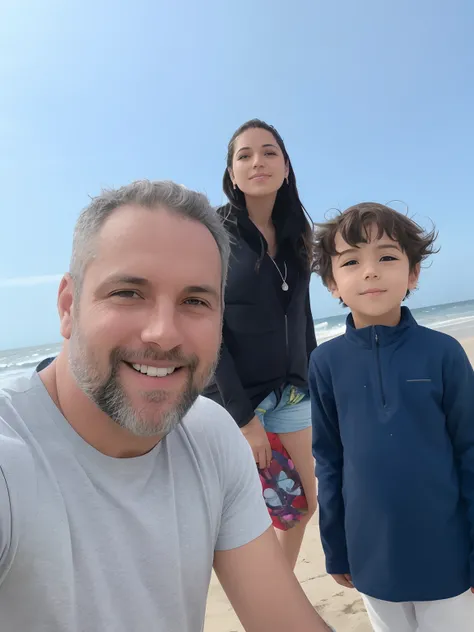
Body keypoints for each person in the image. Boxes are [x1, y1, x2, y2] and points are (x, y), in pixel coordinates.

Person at [0, 180, 333, 632]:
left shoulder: (210, 437)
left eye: (194, 301)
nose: (163, 332)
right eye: (128, 293)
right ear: (68, 305)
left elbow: (284, 621)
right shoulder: (11, 458)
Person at [309, 202, 474, 632]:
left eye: (387, 256)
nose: (370, 271)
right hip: (371, 554)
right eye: (350, 261)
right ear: (332, 283)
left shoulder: (443, 353)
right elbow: (328, 461)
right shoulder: (325, 362)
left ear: (413, 273)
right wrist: (335, 547)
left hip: (447, 550)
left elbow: (470, 451)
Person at [204, 119, 317, 569]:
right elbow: (205, 331)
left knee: (303, 506)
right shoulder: (213, 233)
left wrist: (314, 381)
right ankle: (269, 601)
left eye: (269, 152)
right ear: (232, 173)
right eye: (245, 155)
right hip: (234, 401)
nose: (258, 162)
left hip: (291, 391)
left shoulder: (296, 235)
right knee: (241, 521)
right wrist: (245, 420)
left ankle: (278, 592)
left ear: (286, 167)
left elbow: (302, 318)